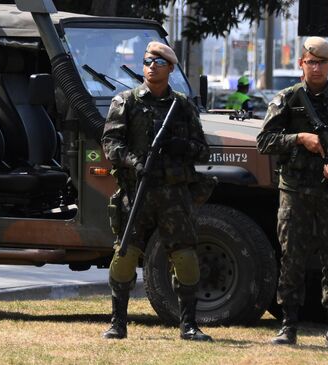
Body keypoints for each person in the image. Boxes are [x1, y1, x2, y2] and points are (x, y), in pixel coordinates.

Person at [256, 37, 328, 349]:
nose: (317, 67)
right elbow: (264, 141)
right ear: (301, 64)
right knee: (292, 256)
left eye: (322, 62)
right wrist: (299, 138)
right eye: (311, 61)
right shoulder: (287, 98)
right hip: (294, 191)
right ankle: (288, 325)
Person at [101, 41, 213, 341]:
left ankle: (188, 324)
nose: (152, 66)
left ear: (171, 69)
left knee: (185, 256)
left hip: (174, 194)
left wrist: (180, 147)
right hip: (137, 190)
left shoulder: (183, 107)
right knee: (125, 254)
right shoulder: (125, 102)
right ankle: (117, 323)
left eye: (159, 62)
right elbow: (111, 143)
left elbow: (203, 152)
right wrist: (134, 162)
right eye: (148, 61)